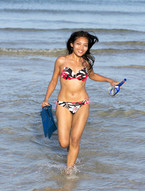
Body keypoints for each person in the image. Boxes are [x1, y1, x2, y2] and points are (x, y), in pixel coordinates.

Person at [41, 31, 119, 174]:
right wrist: (46, 99)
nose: (81, 48)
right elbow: (53, 81)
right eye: (78, 44)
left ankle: (69, 170)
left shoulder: (86, 62)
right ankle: (71, 156)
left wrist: (110, 80)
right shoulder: (61, 60)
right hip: (64, 104)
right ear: (72, 44)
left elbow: (93, 75)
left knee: (75, 139)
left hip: (82, 103)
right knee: (64, 142)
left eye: (85, 45)